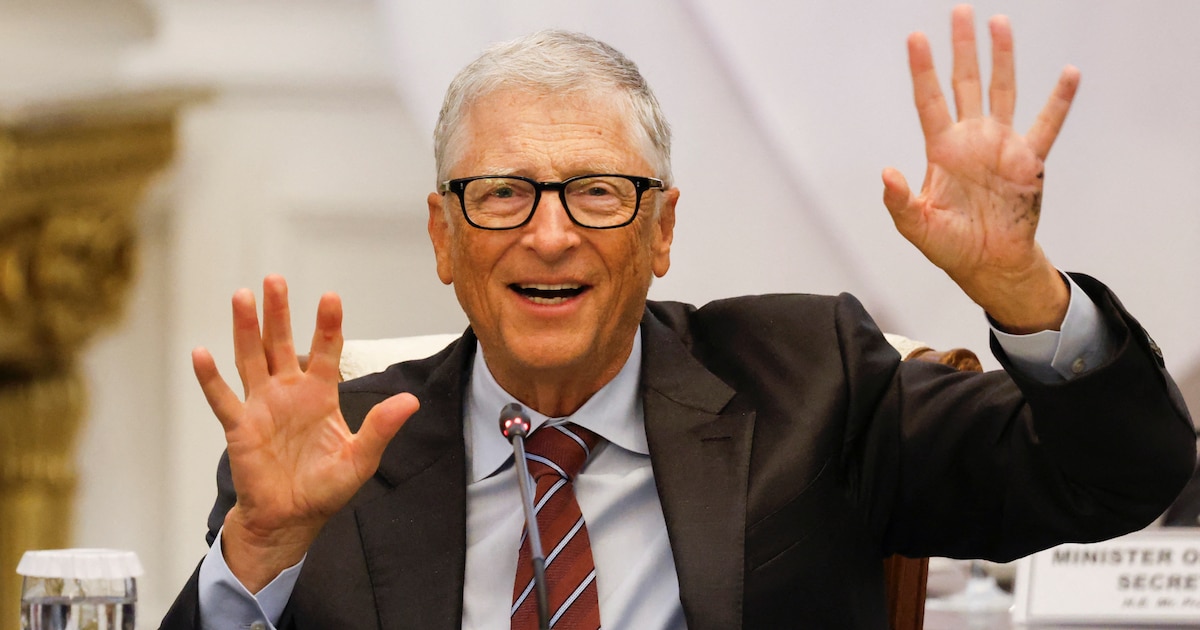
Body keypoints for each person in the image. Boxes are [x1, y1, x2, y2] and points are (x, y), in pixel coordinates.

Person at [160, 5, 1195, 629]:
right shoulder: (332, 459)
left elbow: (1118, 477)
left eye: (598, 193)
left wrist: (1020, 288)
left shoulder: (813, 384)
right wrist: (258, 552)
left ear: (661, 233)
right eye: (504, 193)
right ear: (444, 236)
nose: (551, 236)